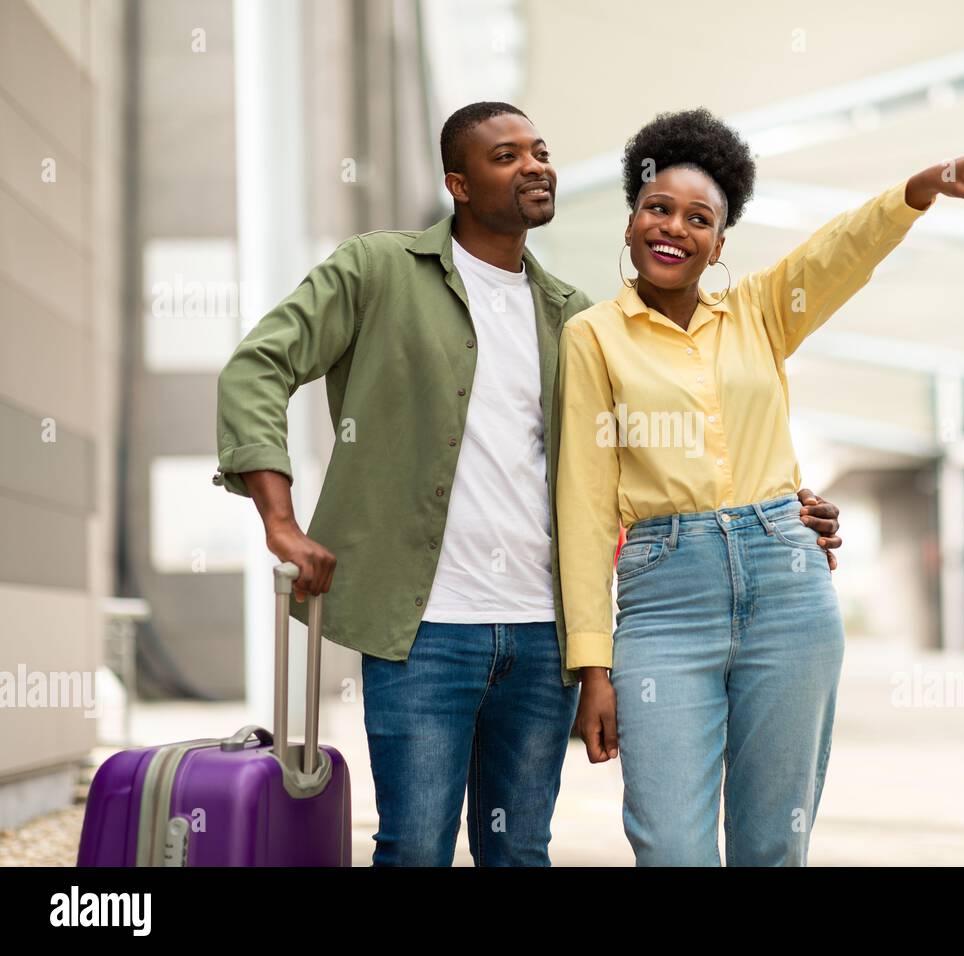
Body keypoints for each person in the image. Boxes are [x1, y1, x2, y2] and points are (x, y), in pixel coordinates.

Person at [214, 101, 847, 866]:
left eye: (540, 151)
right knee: (414, 848)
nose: (536, 166)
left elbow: (634, 466)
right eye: (506, 156)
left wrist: (780, 508)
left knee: (518, 853)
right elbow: (258, 366)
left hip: (542, 639)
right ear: (458, 182)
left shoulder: (574, 320)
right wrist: (279, 522)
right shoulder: (378, 271)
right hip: (421, 633)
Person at [557, 108, 964, 865]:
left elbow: (841, 251)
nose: (674, 227)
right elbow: (581, 503)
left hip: (786, 584)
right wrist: (592, 668)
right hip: (664, 601)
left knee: (774, 848)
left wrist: (919, 190)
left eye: (698, 218)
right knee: (670, 847)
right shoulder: (593, 336)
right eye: (657, 208)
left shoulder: (762, 311)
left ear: (720, 243)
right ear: (632, 219)